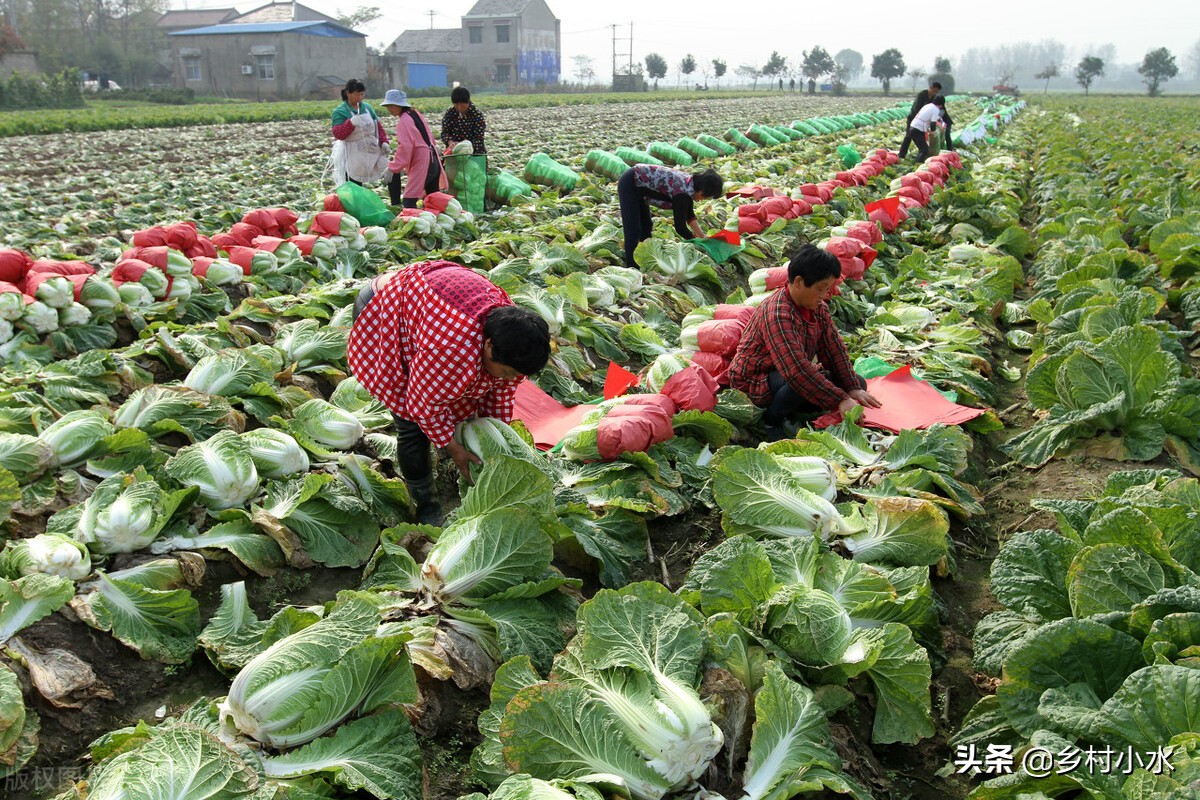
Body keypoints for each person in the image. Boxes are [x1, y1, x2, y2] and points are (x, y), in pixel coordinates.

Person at [347, 260, 551, 524]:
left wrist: (492, 436)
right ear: (488, 346)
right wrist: (453, 448)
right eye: (509, 371)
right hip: (383, 308)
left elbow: (500, 390)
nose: (513, 378)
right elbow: (422, 404)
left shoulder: (513, 332)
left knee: (464, 394)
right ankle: (425, 503)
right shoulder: (450, 350)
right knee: (411, 425)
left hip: (428, 306)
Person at [727, 244, 881, 441]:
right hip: (756, 380)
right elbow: (796, 371)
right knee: (801, 382)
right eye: (820, 289)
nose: (824, 295)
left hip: (788, 374)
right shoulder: (777, 313)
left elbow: (833, 349)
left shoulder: (818, 308)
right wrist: (840, 399)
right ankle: (771, 422)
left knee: (857, 383)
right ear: (799, 282)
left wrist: (851, 388)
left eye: (827, 289)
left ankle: (793, 410)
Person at [617, 165, 723, 268]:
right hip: (631, 183)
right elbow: (680, 227)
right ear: (702, 192)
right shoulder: (682, 193)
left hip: (639, 184)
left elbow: (689, 214)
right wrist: (695, 241)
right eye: (706, 197)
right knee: (633, 229)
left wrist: (701, 235)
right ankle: (632, 267)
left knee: (646, 225)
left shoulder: (689, 186)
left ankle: (645, 256)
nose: (702, 200)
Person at [380, 89, 446, 208]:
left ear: (400, 105)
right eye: (387, 106)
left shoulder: (404, 121)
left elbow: (406, 148)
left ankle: (410, 219)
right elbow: (428, 134)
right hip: (433, 159)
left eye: (391, 105)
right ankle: (438, 222)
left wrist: (393, 167)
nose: (389, 109)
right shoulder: (414, 113)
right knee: (433, 198)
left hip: (423, 162)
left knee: (409, 200)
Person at [329, 78, 390, 186]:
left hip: (371, 148)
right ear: (348, 93)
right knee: (355, 180)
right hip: (353, 152)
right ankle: (355, 202)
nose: (360, 97)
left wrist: (384, 142)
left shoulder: (367, 108)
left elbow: (377, 127)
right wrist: (350, 124)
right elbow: (338, 134)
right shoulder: (340, 112)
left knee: (391, 170)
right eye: (358, 94)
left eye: (362, 94)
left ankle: (395, 201)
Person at [900, 80, 955, 156]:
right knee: (909, 136)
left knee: (922, 139)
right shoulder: (922, 95)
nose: (934, 93)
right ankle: (901, 154)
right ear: (930, 88)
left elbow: (941, 110)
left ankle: (922, 154)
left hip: (923, 121)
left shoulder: (935, 98)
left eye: (936, 92)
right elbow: (917, 109)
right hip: (914, 118)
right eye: (934, 91)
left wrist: (944, 122)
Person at [440, 86, 487, 155]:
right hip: (454, 153)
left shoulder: (477, 114)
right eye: (456, 105)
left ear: (468, 102)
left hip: (475, 153)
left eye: (462, 106)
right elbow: (444, 133)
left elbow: (479, 138)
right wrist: (450, 142)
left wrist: (464, 145)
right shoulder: (450, 113)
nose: (459, 108)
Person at [900, 95, 947, 163]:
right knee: (925, 150)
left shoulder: (928, 105)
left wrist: (929, 130)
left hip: (913, 126)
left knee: (922, 148)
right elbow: (933, 123)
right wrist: (933, 131)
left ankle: (917, 161)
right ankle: (917, 164)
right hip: (918, 129)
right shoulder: (936, 109)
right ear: (941, 104)